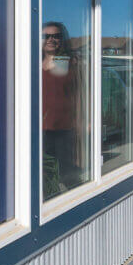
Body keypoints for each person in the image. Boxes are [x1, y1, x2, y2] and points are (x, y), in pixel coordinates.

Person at [42, 21, 85, 199]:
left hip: (64, 127)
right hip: (40, 128)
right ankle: (51, 201)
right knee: (45, 172)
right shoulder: (32, 64)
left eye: (56, 36)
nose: (51, 39)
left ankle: (79, 201)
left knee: (68, 172)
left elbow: (79, 94)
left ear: (62, 39)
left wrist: (82, 122)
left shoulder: (68, 63)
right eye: (46, 36)